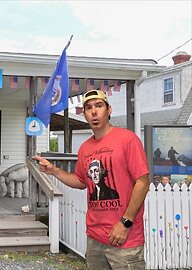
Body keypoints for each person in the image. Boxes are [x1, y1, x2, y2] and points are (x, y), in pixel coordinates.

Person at [33, 89, 149, 269]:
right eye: (88, 108)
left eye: (99, 106)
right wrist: (54, 170)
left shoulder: (128, 139)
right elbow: (81, 181)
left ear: (109, 110)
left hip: (125, 239)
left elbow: (143, 182)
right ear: (85, 114)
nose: (94, 111)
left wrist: (125, 222)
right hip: (95, 238)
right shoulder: (85, 148)